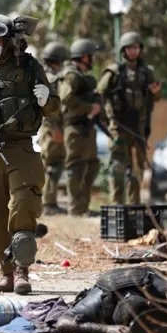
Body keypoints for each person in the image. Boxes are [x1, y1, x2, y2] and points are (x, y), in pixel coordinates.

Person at [0, 14, 60, 295]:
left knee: (22, 206)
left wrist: (46, 98)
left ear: (8, 40)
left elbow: (53, 108)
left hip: (20, 147)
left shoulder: (30, 67)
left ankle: (22, 271)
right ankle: (6, 273)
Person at [96, 31, 162, 204]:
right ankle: (117, 204)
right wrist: (108, 116)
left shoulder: (147, 72)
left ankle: (134, 205)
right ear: (123, 50)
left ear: (140, 49)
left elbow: (154, 97)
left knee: (136, 169)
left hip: (138, 128)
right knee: (118, 167)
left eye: (136, 47)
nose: (133, 51)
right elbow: (100, 93)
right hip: (119, 126)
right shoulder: (114, 71)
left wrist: (156, 93)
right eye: (129, 48)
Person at [59, 38, 102, 217]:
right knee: (76, 167)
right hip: (75, 129)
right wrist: (88, 108)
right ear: (84, 56)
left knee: (91, 166)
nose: (92, 59)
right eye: (90, 56)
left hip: (87, 128)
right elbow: (65, 97)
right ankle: (76, 208)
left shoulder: (84, 77)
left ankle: (83, 207)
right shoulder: (72, 76)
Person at [37, 41, 69, 216]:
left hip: (51, 126)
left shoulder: (47, 76)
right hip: (51, 127)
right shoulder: (51, 78)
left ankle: (49, 201)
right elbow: (47, 107)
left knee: (52, 163)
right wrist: (54, 128)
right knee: (52, 164)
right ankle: (48, 203)